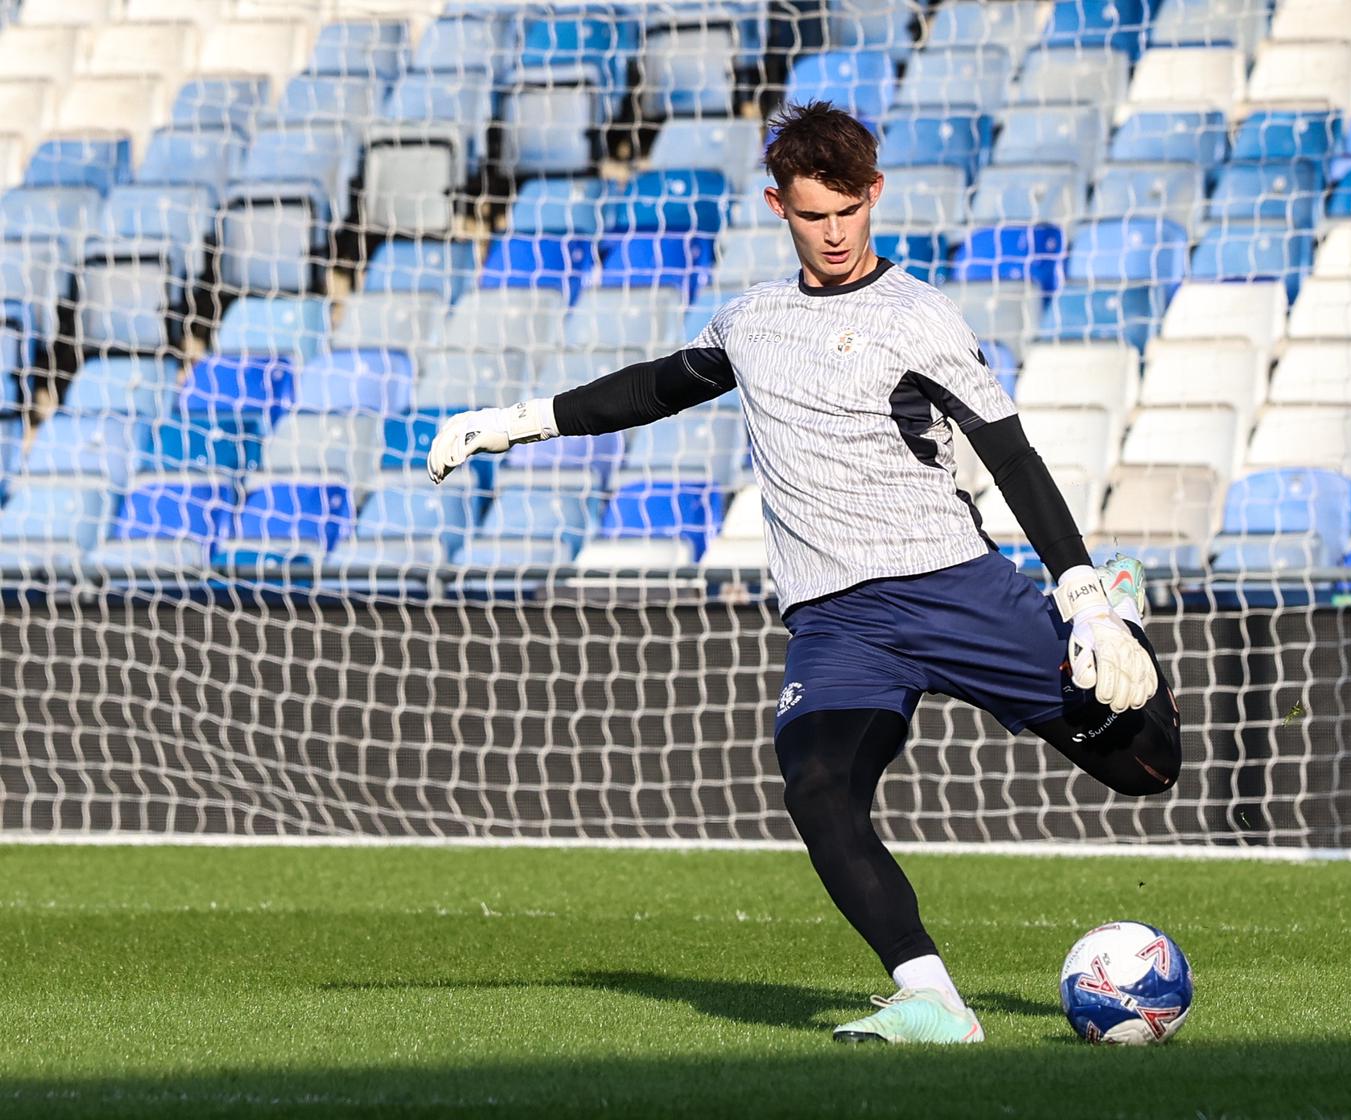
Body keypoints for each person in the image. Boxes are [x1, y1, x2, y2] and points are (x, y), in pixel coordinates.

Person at [427, 101, 1182, 1045]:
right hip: (837, 623)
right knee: (818, 784)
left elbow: (1013, 455)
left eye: (848, 211)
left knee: (1147, 765)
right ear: (778, 204)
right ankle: (931, 1000)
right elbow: (654, 388)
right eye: (811, 214)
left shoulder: (919, 318)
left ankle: (1121, 608)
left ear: (874, 196)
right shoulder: (754, 322)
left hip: (953, 587)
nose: (833, 234)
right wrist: (515, 420)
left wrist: (1078, 591)